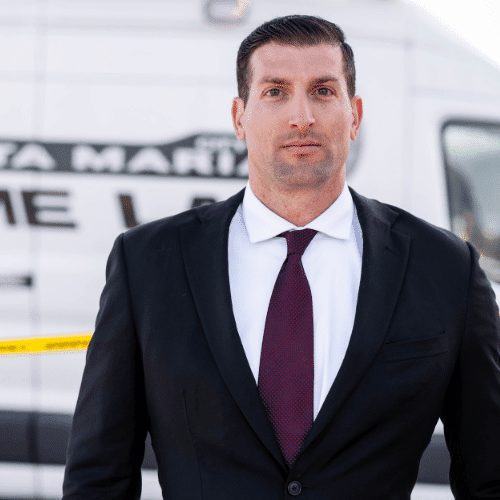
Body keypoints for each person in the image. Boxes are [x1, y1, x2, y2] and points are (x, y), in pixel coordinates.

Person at [62, 15, 500, 499]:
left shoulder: (444, 268)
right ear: (238, 117)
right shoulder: (146, 264)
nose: (302, 116)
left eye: (323, 91)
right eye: (275, 91)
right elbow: (97, 477)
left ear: (354, 115)